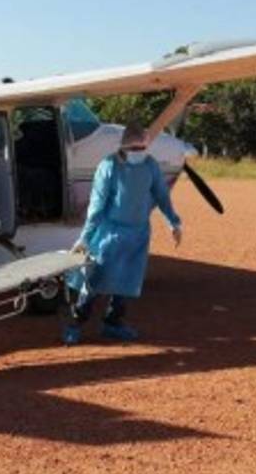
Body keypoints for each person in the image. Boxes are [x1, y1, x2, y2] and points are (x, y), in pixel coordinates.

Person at [64, 122, 182, 345]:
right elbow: (96, 207)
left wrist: (174, 223)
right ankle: (75, 323)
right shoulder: (109, 166)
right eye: (134, 149)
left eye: (142, 149)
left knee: (127, 282)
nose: (138, 153)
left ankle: (112, 323)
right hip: (110, 233)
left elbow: (161, 195)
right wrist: (85, 238)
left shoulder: (150, 166)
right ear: (124, 147)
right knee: (94, 282)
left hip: (138, 234)